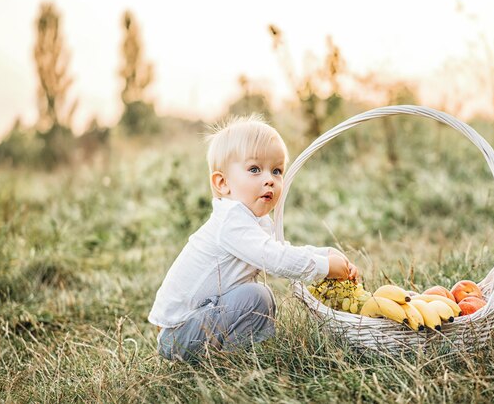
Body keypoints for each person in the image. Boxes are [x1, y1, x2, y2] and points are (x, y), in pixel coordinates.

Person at [148, 114, 359, 363]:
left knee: (256, 296)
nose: (269, 179)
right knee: (257, 297)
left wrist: (325, 254)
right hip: (179, 333)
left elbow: (279, 249)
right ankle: (237, 361)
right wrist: (323, 267)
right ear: (223, 183)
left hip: (197, 321)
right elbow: (276, 259)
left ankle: (235, 356)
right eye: (255, 169)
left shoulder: (253, 221)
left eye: (277, 170)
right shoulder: (231, 221)